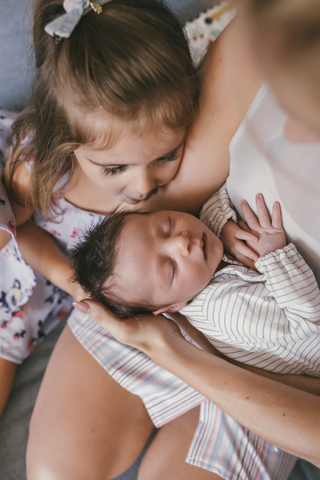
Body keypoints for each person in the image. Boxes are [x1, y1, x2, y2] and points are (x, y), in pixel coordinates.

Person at [24, 1, 320, 480]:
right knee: (55, 472)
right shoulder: (291, 22)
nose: (141, 187)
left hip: (278, 365)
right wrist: (191, 235)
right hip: (146, 280)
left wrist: (179, 353)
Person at [72, 188, 320, 377]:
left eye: (167, 225)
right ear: (172, 307)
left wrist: (223, 228)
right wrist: (274, 257)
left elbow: (211, 199)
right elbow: (308, 325)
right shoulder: (226, 310)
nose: (182, 241)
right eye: (170, 267)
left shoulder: (199, 268)